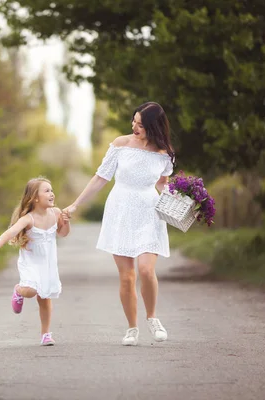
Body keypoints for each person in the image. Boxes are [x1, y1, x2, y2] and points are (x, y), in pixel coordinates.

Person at [63, 102, 175, 346]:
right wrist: (75, 204)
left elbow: (162, 183)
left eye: (141, 125)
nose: (134, 127)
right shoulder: (120, 144)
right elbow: (101, 177)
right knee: (127, 277)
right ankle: (132, 328)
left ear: (154, 127)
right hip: (120, 210)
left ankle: (152, 318)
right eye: (133, 121)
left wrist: (182, 199)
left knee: (146, 270)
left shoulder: (164, 152)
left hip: (149, 211)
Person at [0, 177, 70, 346]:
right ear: (35, 198)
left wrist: (65, 222)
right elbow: (11, 232)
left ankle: (46, 334)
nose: (52, 193)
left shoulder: (56, 213)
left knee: (44, 297)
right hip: (31, 262)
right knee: (31, 290)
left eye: (51, 190)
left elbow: (63, 233)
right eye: (47, 191)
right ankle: (19, 290)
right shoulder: (28, 219)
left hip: (47, 263)